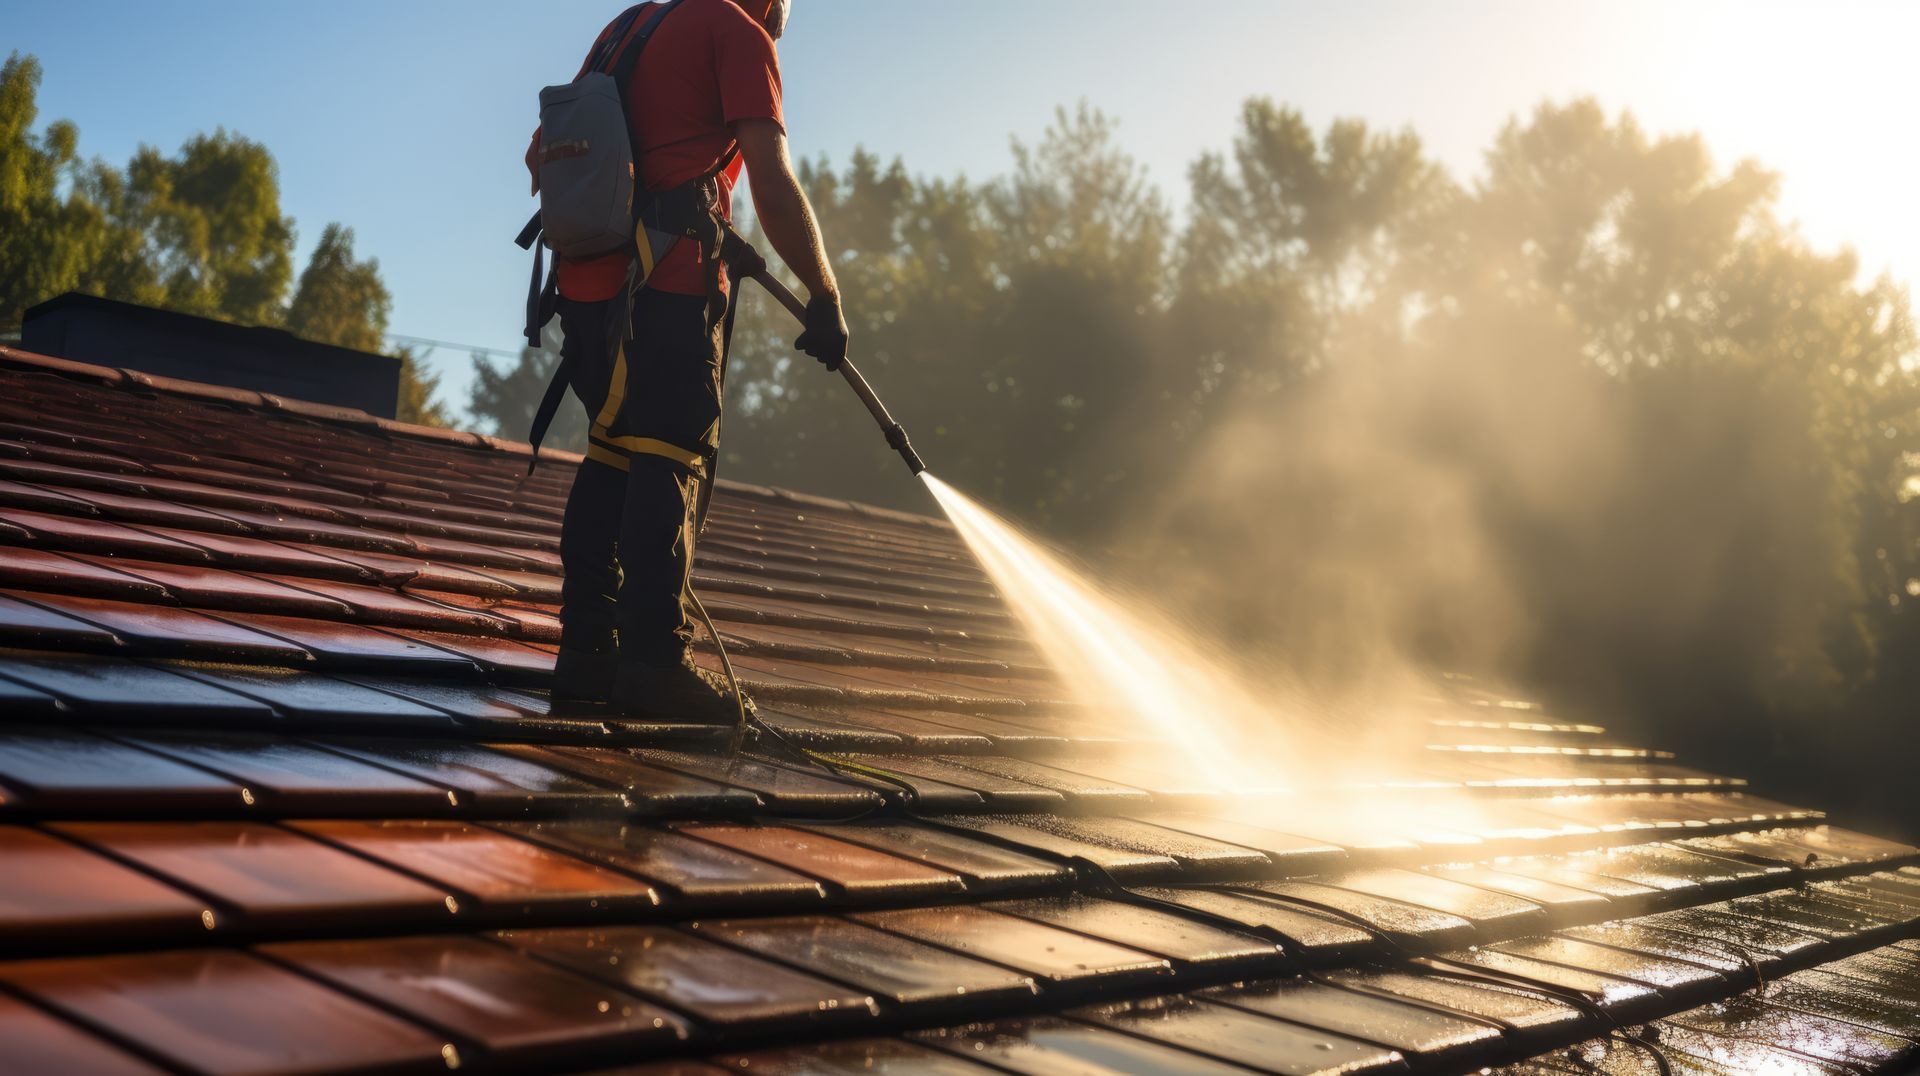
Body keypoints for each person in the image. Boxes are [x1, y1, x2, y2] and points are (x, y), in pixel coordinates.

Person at [526, 0, 848, 722]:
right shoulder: (736, 32)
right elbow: (770, 178)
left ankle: (586, 655)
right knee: (669, 457)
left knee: (612, 454)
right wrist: (825, 294)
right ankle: (652, 662)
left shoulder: (629, 27)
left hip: (584, 290)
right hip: (662, 288)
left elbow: (543, 152)